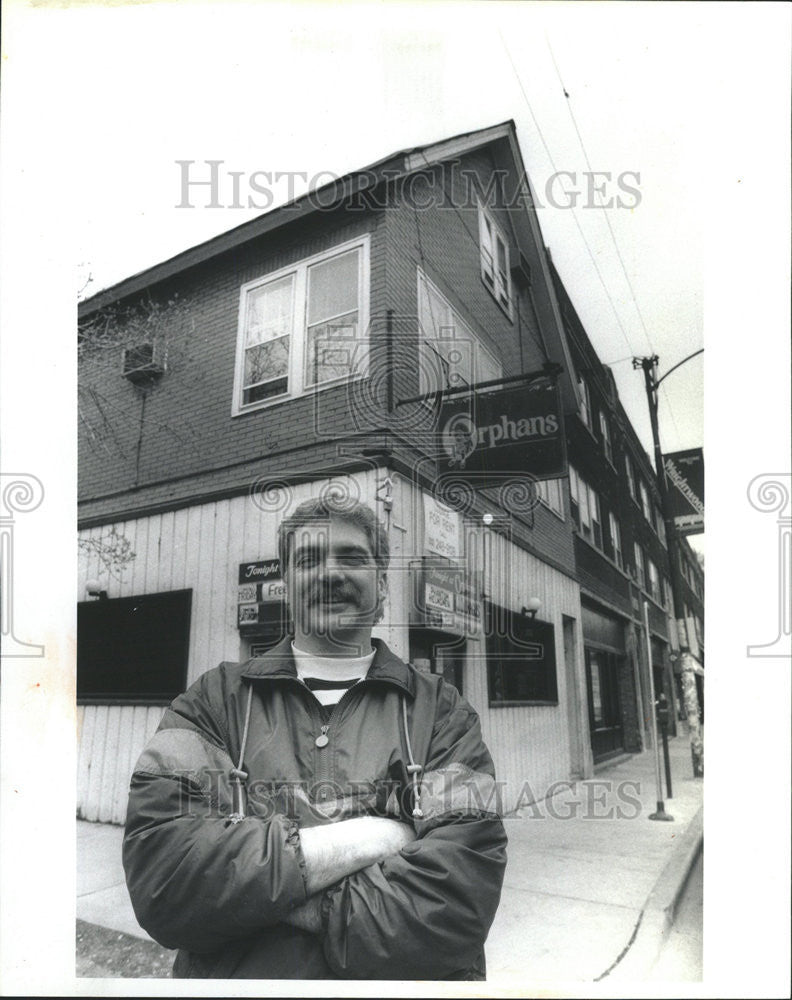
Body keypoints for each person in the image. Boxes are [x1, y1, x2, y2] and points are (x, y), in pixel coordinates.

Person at [123, 496, 507, 980]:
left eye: (351, 557)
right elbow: (166, 879)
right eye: (308, 560)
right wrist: (371, 838)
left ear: (383, 585)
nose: (330, 574)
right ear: (285, 585)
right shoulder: (213, 702)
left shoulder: (442, 713)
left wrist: (259, 890)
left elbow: (457, 903)